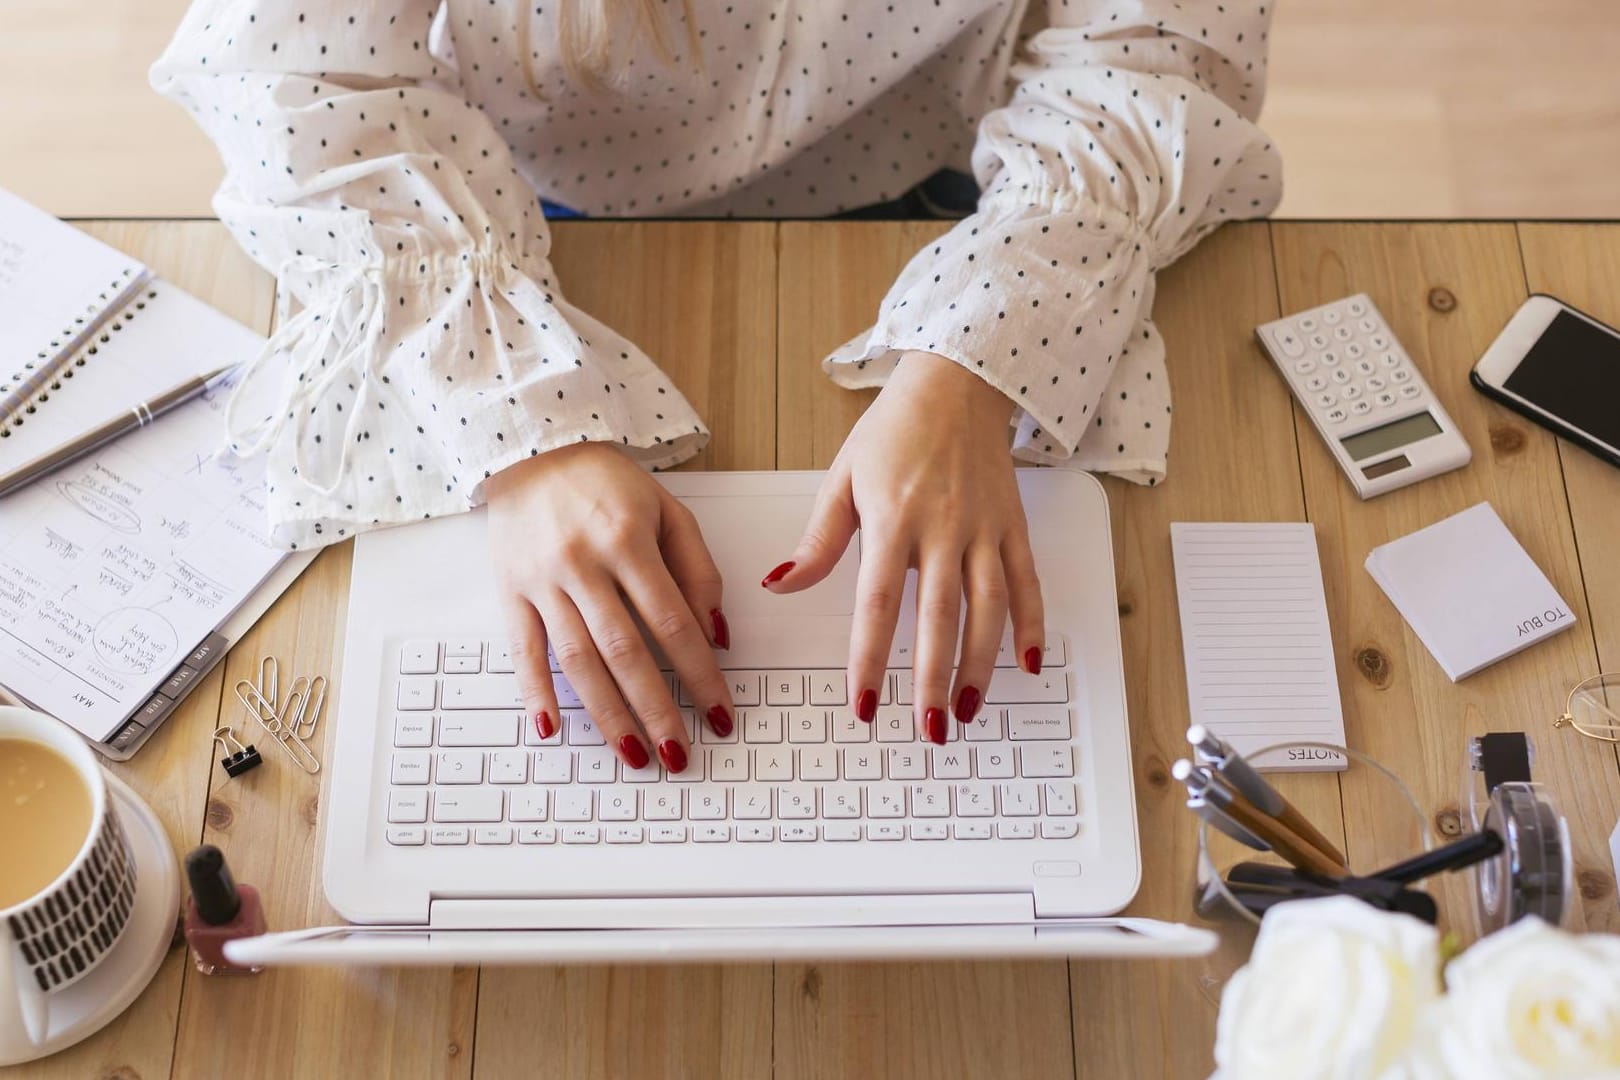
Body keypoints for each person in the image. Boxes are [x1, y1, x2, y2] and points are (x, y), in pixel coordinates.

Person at [151, 1, 1280, 774]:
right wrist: (529, 436)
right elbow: (285, 78)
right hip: (527, 226)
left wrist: (976, 363)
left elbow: (1155, 53)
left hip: (975, 196)